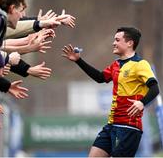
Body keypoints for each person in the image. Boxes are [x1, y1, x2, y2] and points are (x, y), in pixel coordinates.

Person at [62, 27, 159, 157]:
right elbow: (100, 77)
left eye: (117, 40)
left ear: (129, 43)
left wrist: (142, 103)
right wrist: (79, 60)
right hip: (112, 125)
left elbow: (155, 88)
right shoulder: (116, 64)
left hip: (129, 128)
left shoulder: (140, 64)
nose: (113, 43)